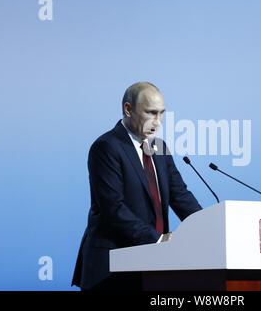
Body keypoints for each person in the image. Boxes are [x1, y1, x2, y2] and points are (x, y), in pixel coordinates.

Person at [71, 82, 202, 291]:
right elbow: (113, 209)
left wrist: (204, 228)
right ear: (128, 109)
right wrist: (158, 239)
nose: (157, 122)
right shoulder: (107, 147)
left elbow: (180, 195)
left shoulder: (159, 147)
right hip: (112, 268)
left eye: (161, 114)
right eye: (150, 113)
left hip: (153, 266)